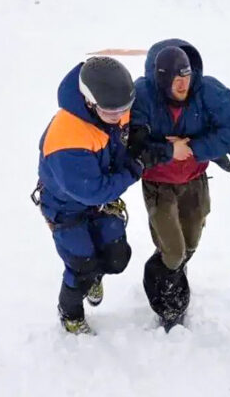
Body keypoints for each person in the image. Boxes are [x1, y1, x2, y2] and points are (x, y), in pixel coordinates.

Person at [129, 39, 230, 331]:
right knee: (172, 252)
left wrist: (193, 147)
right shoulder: (143, 95)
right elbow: (133, 142)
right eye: (175, 78)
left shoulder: (207, 91)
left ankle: (173, 272)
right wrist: (168, 150)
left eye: (186, 75)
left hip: (194, 180)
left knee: (190, 244)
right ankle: (167, 302)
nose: (182, 83)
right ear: (160, 79)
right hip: (159, 184)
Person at [36, 56, 143, 335]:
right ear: (89, 102)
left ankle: (96, 275)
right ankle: (70, 313)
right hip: (66, 206)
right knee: (81, 264)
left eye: (125, 109)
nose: (120, 116)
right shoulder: (66, 139)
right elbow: (94, 191)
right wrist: (135, 169)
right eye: (111, 112)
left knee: (117, 256)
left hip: (99, 197)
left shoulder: (115, 105)